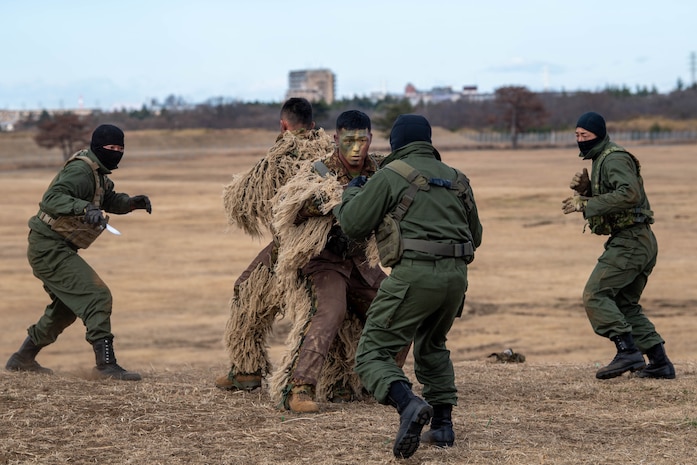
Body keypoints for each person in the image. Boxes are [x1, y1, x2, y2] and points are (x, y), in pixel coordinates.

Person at [333, 114, 483, 459]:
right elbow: (475, 236)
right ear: (428, 141)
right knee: (432, 344)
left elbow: (354, 225)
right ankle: (443, 425)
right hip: (456, 278)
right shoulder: (458, 179)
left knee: (372, 352)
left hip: (415, 275)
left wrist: (351, 195)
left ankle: (408, 405)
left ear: (396, 144)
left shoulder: (389, 175)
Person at [268, 109, 394, 413]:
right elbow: (289, 210)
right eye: (348, 141)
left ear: (370, 140)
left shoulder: (379, 171)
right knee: (330, 311)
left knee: (397, 305)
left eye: (361, 141)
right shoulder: (319, 172)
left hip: (362, 263)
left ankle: (382, 380)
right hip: (325, 261)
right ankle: (300, 387)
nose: (355, 149)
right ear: (336, 138)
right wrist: (325, 200)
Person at [5, 124, 152, 381]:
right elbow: (52, 199)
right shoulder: (80, 170)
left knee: (66, 308)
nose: (116, 152)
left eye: (120, 148)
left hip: (56, 246)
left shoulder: (98, 174)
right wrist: (83, 208)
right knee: (97, 295)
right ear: (98, 147)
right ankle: (106, 365)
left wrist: (130, 203)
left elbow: (106, 199)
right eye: (111, 148)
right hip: (48, 247)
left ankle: (22, 359)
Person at [215, 97, 334, 391]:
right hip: (323, 247)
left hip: (296, 252)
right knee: (250, 291)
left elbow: (241, 201)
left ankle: (249, 369)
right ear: (313, 124)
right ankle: (247, 370)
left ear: (283, 125)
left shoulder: (279, 156)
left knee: (246, 295)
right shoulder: (332, 150)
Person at [562, 111, 675, 380]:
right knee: (624, 303)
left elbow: (629, 193)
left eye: (585, 135)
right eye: (577, 135)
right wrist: (589, 190)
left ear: (598, 135)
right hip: (637, 240)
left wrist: (587, 203)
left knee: (596, 294)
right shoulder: (602, 158)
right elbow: (619, 195)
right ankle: (659, 363)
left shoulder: (613, 158)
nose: (580, 140)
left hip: (631, 241)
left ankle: (627, 351)